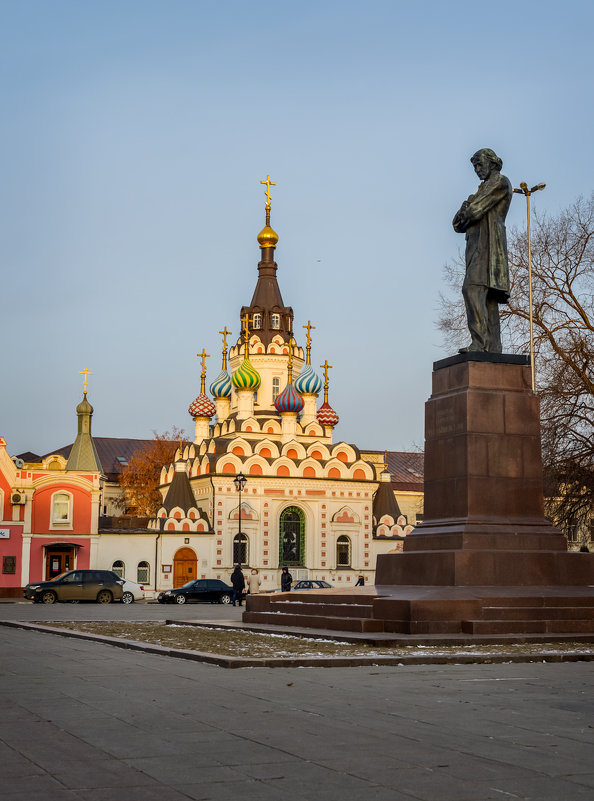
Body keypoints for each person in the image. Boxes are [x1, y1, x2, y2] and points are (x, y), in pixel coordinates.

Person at [453, 148, 512, 354]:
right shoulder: (480, 190)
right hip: (476, 247)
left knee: (472, 289)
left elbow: (473, 211)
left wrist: (467, 207)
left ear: (493, 163)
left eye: (480, 164)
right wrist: (467, 209)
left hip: (488, 247)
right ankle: (492, 348)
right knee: (486, 299)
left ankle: (480, 344)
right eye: (474, 166)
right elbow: (457, 224)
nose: (477, 169)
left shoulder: (499, 182)